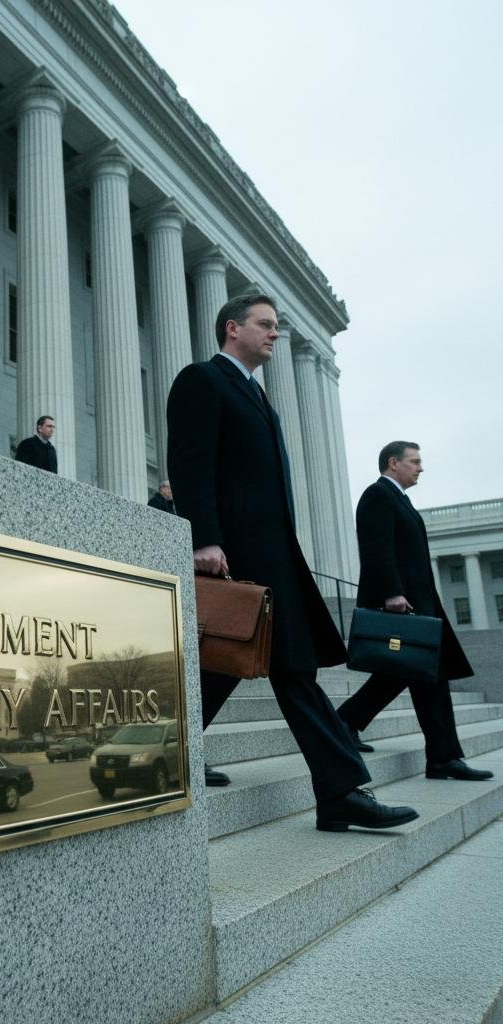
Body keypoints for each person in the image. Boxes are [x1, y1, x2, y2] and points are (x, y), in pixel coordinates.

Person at [167, 293, 418, 831]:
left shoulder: (259, 397)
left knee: (277, 670)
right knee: (262, 668)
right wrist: (205, 539)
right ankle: (341, 790)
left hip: (275, 556)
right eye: (265, 324)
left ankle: (338, 793)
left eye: (278, 326)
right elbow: (189, 463)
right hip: (236, 557)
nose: (275, 333)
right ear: (232, 329)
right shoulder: (202, 380)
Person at [336, 442, 492, 781]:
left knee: (428, 676)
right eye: (415, 461)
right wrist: (392, 593)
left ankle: (442, 757)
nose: (420, 468)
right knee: (409, 672)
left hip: (420, 602)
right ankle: (346, 723)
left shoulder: (400, 500)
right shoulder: (377, 495)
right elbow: (377, 549)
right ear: (393, 463)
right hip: (401, 602)